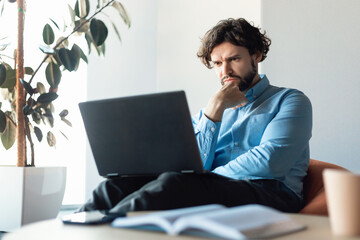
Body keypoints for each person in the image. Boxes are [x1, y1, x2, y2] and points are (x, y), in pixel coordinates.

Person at [79, 18, 312, 214]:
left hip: (273, 194)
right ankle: (73, 231)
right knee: (114, 187)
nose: (225, 71)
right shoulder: (211, 112)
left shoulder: (291, 100)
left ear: (257, 55)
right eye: (218, 63)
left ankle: (105, 228)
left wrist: (207, 177)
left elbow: (271, 162)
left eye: (234, 59)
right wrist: (213, 113)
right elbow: (192, 166)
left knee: (174, 184)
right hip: (213, 189)